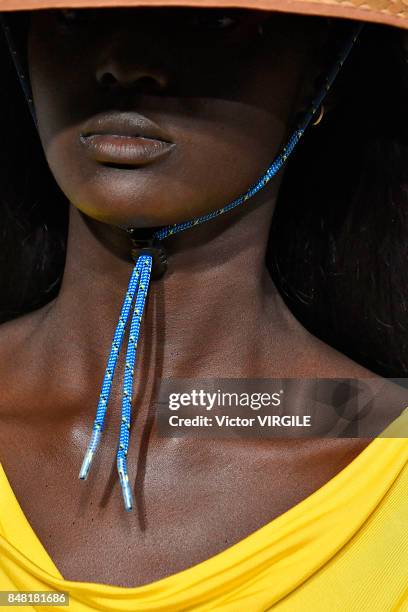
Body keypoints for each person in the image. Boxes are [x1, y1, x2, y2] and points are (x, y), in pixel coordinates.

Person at [0, 1, 407, 610]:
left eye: (210, 21)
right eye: (74, 16)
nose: (123, 62)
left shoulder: (385, 463)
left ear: (317, 69)